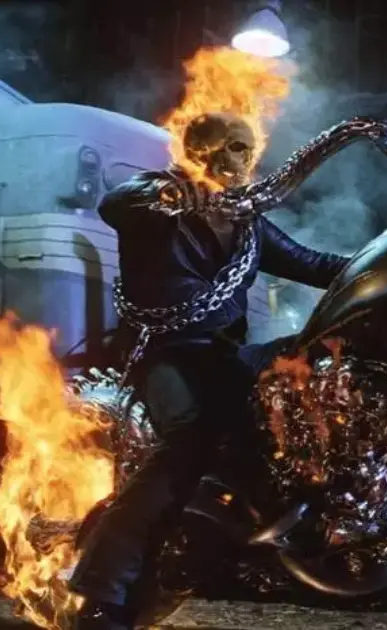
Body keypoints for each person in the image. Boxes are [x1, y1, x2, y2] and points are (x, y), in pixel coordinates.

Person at [69, 112, 351, 630]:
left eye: (241, 148)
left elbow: (313, 264)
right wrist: (172, 194)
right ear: (192, 150)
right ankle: (102, 592)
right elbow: (116, 203)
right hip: (166, 353)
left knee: (320, 361)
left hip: (226, 358)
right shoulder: (155, 203)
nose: (231, 158)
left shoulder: (248, 225)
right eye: (218, 146)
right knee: (189, 442)